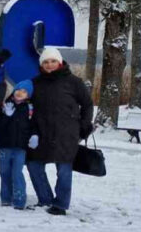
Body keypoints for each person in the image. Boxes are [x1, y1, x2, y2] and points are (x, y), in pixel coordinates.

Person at [26, 48, 94, 215]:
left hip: (66, 133)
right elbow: (26, 105)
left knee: (63, 169)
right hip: (41, 132)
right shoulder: (35, 83)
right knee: (33, 164)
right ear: (41, 64)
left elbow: (87, 104)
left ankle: (61, 204)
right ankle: (45, 199)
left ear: (60, 62)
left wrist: (83, 127)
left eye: (53, 61)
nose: (49, 65)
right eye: (46, 62)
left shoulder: (74, 82)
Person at [0, 81, 33, 210]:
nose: (20, 93)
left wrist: (34, 136)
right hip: (5, 146)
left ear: (28, 95)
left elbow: (33, 126)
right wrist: (6, 116)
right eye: (18, 90)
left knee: (17, 173)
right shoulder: (5, 106)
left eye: (24, 91)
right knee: (5, 172)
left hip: (20, 148)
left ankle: (19, 199)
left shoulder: (30, 109)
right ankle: (6, 198)